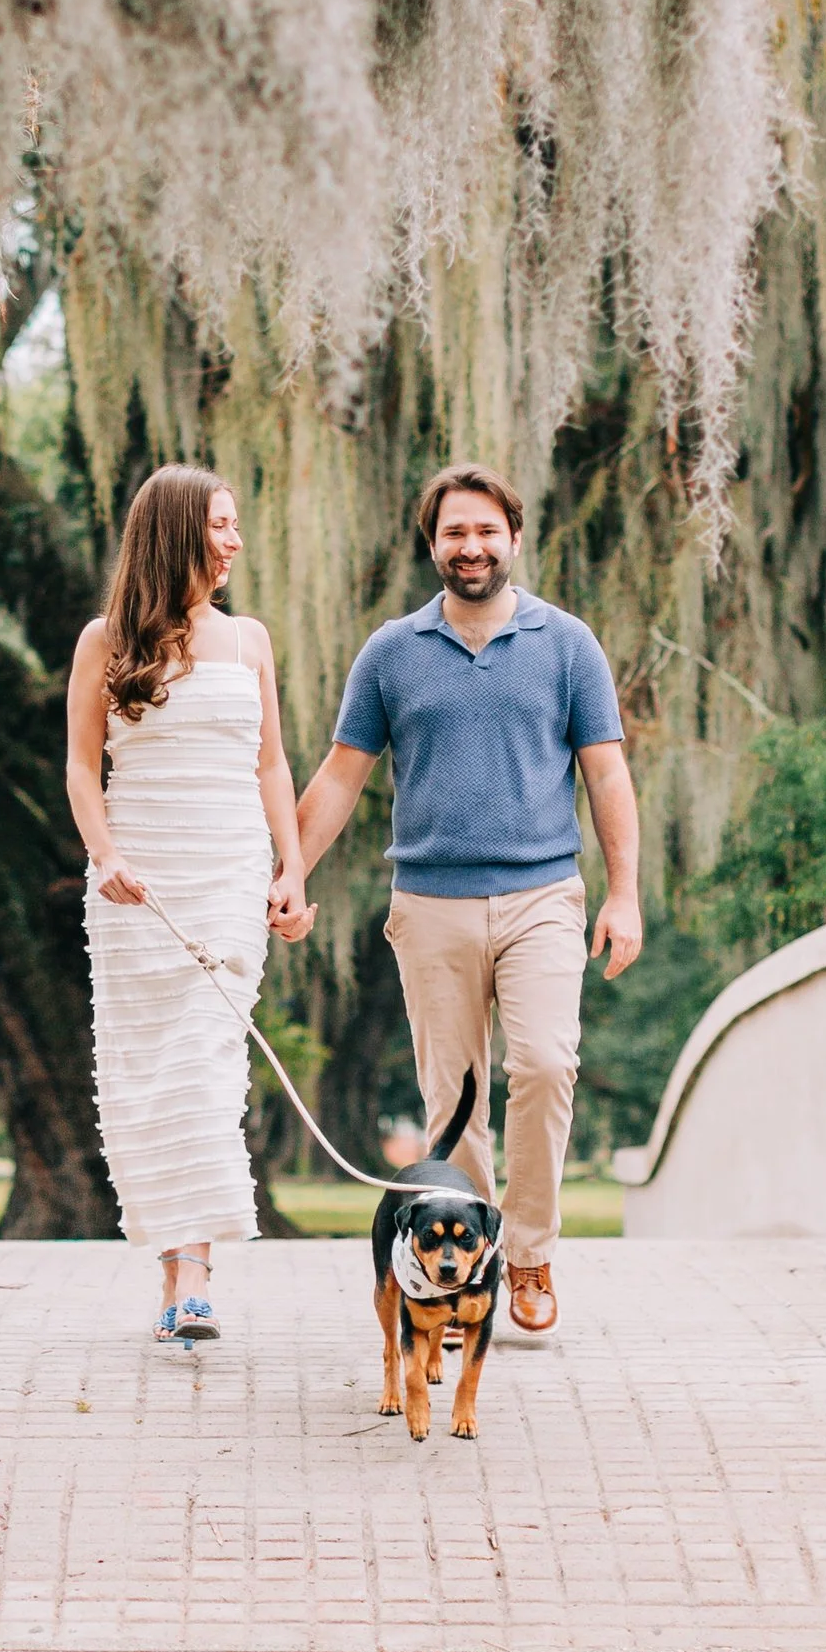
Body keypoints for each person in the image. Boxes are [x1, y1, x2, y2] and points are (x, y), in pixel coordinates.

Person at [296, 463, 641, 1336]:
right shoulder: (391, 652)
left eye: (487, 530)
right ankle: (475, 1263)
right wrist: (288, 871)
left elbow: (607, 774)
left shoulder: (568, 645)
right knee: (455, 1103)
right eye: (455, 532)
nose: (472, 546)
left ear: (514, 538)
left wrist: (625, 893)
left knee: (547, 1064)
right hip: (430, 904)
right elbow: (340, 777)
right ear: (433, 544)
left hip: (543, 896)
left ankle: (529, 1255)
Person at [66, 466, 313, 1344]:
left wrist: (292, 869)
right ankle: (172, 1270)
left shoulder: (249, 641)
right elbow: (80, 767)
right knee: (149, 1077)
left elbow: (271, 764)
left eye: (237, 524)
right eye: (220, 524)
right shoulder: (105, 641)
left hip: (228, 877)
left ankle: (196, 1278)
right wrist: (106, 855)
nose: (235, 540)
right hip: (138, 884)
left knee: (207, 1065)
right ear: (174, 531)